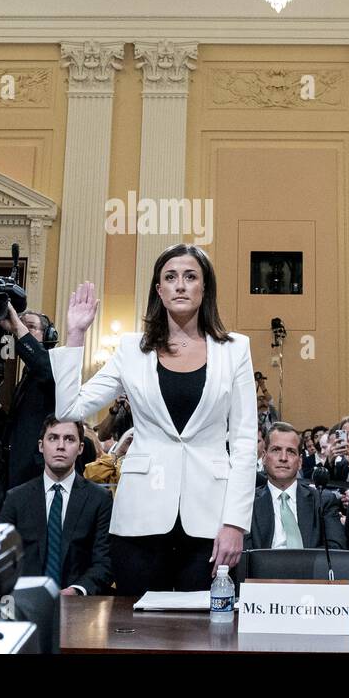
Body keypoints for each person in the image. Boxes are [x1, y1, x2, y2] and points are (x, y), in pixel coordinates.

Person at [50, 244, 256, 596]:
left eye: (190, 277)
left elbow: (243, 440)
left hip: (211, 518)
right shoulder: (133, 348)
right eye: (170, 277)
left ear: (204, 288)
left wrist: (235, 522)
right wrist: (76, 336)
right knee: (136, 636)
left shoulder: (235, 349)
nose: (180, 285)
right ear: (158, 290)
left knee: (204, 638)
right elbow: (69, 408)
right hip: (140, 517)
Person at [0, 417, 113, 594]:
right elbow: (3, 560)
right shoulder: (16, 499)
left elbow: (104, 562)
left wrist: (77, 590)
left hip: (80, 607)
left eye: (69, 439)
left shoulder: (99, 499)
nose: (61, 446)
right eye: (53, 438)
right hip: (25, 602)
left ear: (81, 448)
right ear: (41, 446)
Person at [245, 423, 344, 551]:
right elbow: (243, 555)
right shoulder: (248, 503)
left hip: (312, 570)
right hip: (261, 570)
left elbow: (336, 551)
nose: (283, 458)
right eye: (276, 450)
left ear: (300, 461)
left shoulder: (323, 501)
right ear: (264, 457)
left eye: (291, 452)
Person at [0, 307, 59, 488]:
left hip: (36, 468)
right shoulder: (27, 372)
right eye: (21, 326)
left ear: (48, 335)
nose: (21, 329)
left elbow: (43, 367)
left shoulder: (54, 365)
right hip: (16, 465)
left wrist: (16, 326)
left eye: (30, 326)